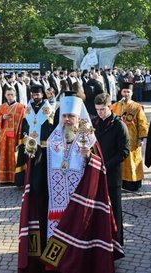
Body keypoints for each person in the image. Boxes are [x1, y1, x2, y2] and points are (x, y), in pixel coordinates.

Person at [18, 91, 123, 273]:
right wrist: (33, 154)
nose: (67, 119)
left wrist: (89, 156)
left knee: (78, 234)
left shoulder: (89, 139)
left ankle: (79, 264)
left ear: (78, 117)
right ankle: (55, 264)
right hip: (55, 205)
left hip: (79, 203)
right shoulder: (51, 140)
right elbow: (40, 167)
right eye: (65, 116)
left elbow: (100, 168)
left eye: (71, 116)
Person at [92, 92, 129, 246]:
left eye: (102, 109)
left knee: (114, 210)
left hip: (112, 174)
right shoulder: (94, 124)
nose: (100, 113)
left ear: (110, 106)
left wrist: (106, 166)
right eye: (97, 110)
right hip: (96, 173)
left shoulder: (119, 125)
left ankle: (117, 243)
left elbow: (124, 151)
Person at [111, 82, 149, 191]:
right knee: (120, 159)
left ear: (131, 93)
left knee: (133, 160)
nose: (126, 94)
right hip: (118, 139)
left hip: (133, 138)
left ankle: (134, 183)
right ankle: (120, 182)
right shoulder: (115, 106)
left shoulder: (137, 107)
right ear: (121, 92)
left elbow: (142, 123)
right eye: (124, 91)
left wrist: (141, 138)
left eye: (128, 92)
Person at [17, 85, 53, 187]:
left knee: (40, 164)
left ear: (42, 95)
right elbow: (25, 124)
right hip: (29, 142)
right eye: (34, 95)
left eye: (38, 94)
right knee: (29, 162)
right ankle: (28, 182)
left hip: (42, 142)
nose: (36, 96)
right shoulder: (28, 108)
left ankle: (41, 184)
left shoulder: (48, 108)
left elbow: (50, 125)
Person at [0, 87, 27, 185]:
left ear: (15, 95)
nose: (10, 96)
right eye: (8, 94)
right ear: (5, 95)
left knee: (15, 156)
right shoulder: (2, 107)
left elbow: (25, 122)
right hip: (4, 137)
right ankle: (4, 178)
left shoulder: (21, 107)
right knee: (4, 156)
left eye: (12, 94)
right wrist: (2, 117)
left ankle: (15, 178)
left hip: (16, 136)